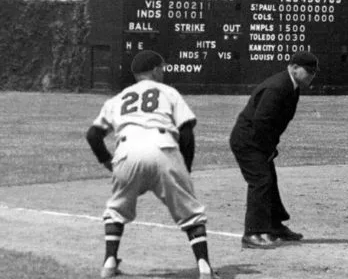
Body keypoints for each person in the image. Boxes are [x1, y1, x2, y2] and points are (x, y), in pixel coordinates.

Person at [85, 50, 218, 279]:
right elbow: (186, 133)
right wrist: (184, 167)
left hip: (126, 152)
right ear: (156, 70)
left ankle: (108, 263)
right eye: (162, 68)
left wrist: (108, 163)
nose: (163, 72)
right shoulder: (169, 93)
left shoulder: (118, 98)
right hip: (163, 149)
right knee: (191, 213)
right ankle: (204, 268)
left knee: (116, 211)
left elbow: (93, 136)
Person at [229, 51, 319, 249]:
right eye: (308, 71)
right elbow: (261, 121)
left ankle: (274, 225)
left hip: (258, 140)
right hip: (248, 140)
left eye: (314, 72)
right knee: (261, 181)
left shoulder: (291, 86)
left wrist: (269, 148)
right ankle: (252, 234)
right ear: (294, 67)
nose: (312, 75)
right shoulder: (278, 86)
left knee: (269, 179)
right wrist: (267, 149)